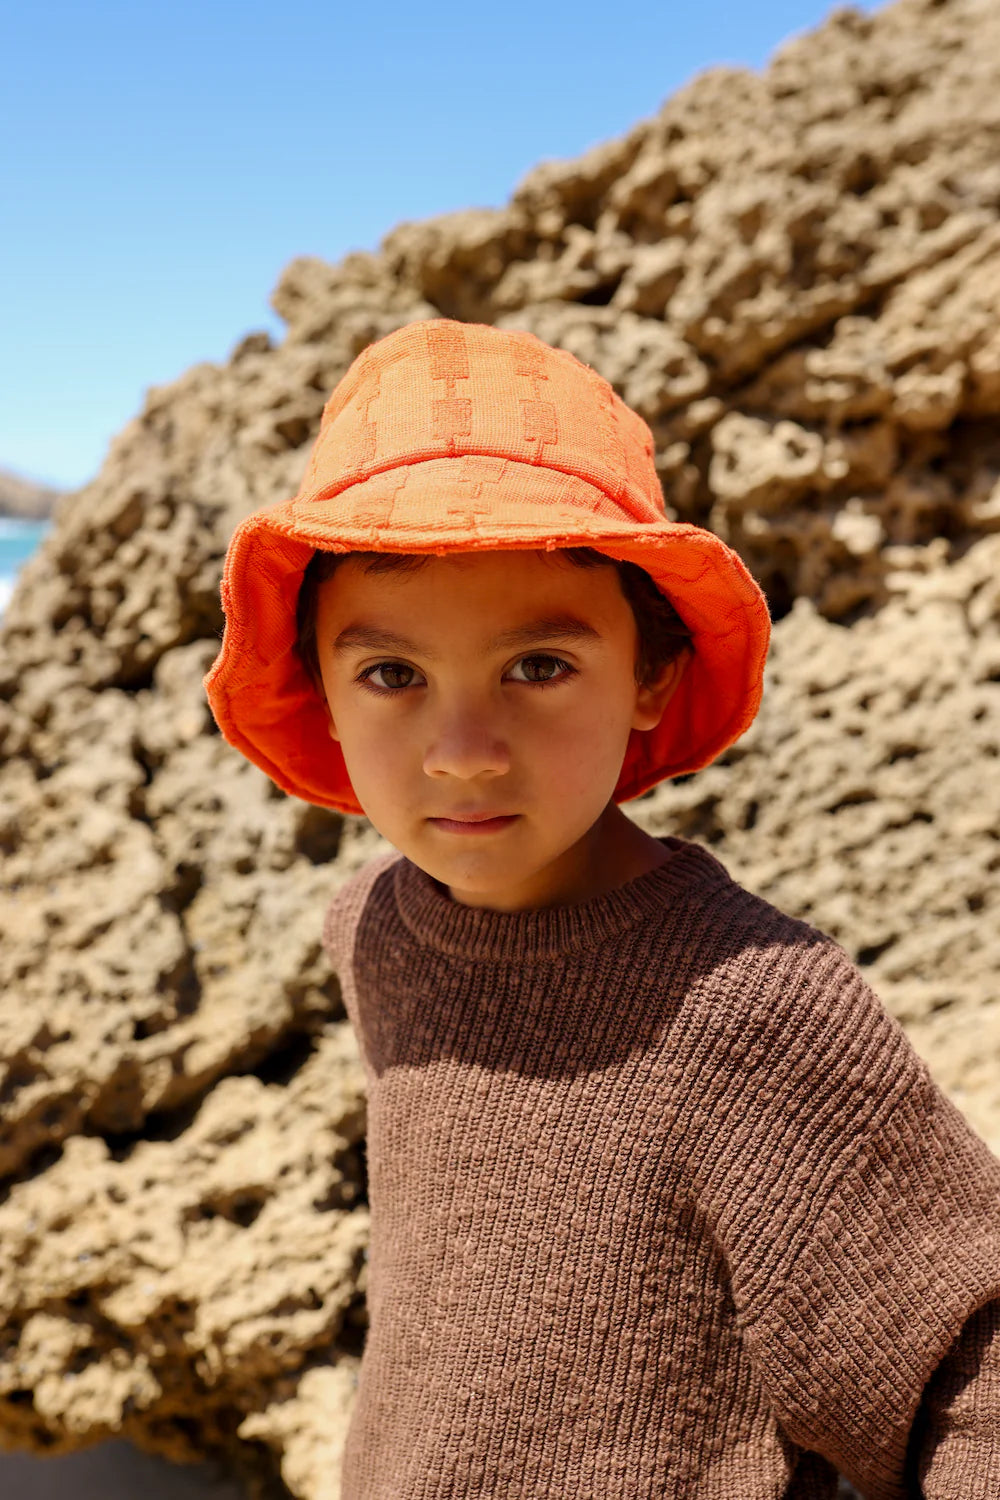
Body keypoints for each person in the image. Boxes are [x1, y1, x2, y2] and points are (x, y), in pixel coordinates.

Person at [205, 319, 1000, 1498]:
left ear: (651, 675)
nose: (463, 753)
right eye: (391, 675)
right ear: (320, 690)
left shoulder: (749, 1008)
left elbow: (966, 1378)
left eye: (538, 666)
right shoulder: (373, 927)